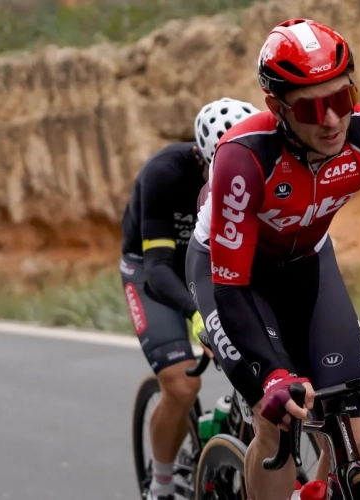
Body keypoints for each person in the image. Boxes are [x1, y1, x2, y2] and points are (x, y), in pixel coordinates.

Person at [186, 18, 360, 500]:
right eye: (310, 107)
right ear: (276, 108)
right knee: (274, 421)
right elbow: (230, 286)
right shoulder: (243, 155)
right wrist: (275, 376)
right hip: (235, 278)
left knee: (351, 437)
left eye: (341, 99)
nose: (331, 120)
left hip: (307, 265)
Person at [120, 97, 261, 500]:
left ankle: (227, 432)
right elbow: (160, 270)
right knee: (182, 386)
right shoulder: (165, 172)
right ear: (201, 158)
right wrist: (199, 313)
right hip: (153, 267)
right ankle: (161, 485)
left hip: (213, 263)